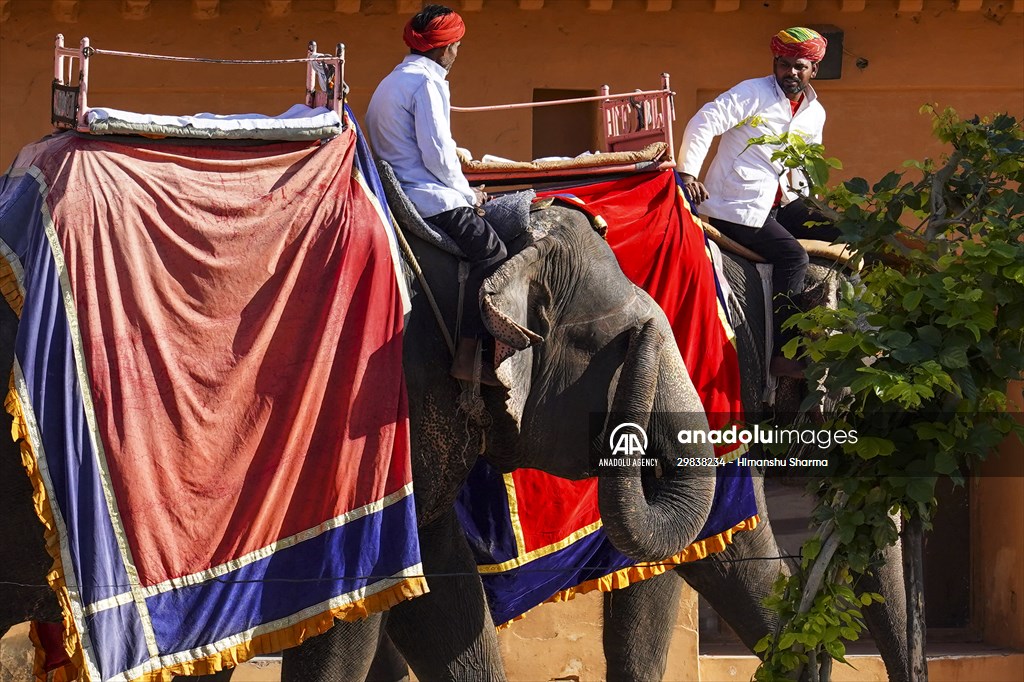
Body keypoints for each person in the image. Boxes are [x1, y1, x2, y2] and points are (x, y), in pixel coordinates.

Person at [677, 27, 841, 379]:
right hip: (735, 204)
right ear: (775, 62)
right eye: (784, 65)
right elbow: (705, 121)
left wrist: (814, 203)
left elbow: (806, 162)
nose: (790, 73)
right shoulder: (752, 93)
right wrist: (688, 174)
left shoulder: (816, 113)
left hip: (783, 201)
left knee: (846, 230)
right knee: (792, 256)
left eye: (799, 66)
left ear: (814, 69)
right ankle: (785, 353)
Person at [366, 4, 505, 386]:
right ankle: (468, 356)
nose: (457, 53)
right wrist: (469, 194)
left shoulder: (393, 80)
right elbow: (437, 155)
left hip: (407, 190)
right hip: (428, 196)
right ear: (444, 49)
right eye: (456, 46)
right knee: (492, 252)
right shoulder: (428, 82)